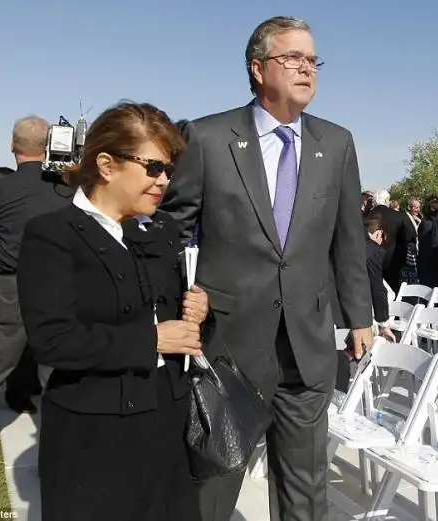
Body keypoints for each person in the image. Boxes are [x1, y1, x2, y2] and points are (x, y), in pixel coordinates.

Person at [159, 16, 373, 521]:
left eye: (312, 60)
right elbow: (170, 235)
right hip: (230, 348)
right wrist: (178, 307)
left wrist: (359, 316)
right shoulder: (209, 138)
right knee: (212, 487)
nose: (307, 69)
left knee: (304, 493)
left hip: (308, 347)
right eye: (293, 58)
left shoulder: (336, 143)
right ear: (258, 69)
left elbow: (348, 238)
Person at [15, 102, 207, 520]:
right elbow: (53, 341)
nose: (164, 181)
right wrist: (153, 339)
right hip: (93, 438)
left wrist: (196, 306)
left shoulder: (163, 230)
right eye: (154, 167)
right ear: (106, 164)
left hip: (166, 430)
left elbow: (170, 315)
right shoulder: (52, 235)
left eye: (169, 170)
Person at [0, 116, 74, 483]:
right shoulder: (64, 189)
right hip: (57, 290)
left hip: (9, 289)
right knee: (59, 384)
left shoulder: (0, 190)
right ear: (49, 147)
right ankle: (63, 468)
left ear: (13, 148)